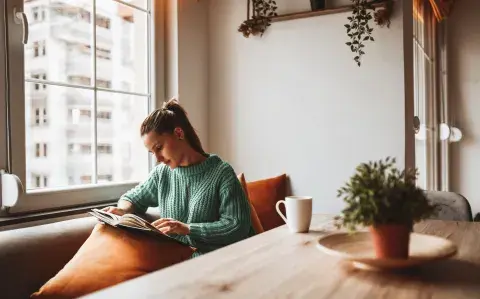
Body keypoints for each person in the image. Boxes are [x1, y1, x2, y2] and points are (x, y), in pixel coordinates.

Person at [103, 98, 254, 256]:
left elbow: (238, 226)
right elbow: (132, 198)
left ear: (179, 133)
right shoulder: (161, 174)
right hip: (181, 264)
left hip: (225, 261)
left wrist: (187, 229)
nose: (158, 158)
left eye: (159, 148)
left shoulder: (221, 173)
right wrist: (122, 210)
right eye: (152, 153)